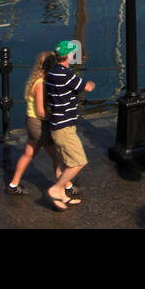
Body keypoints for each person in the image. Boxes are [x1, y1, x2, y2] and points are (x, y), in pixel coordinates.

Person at [44, 40, 94, 210]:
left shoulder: (51, 73)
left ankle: (62, 197)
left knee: (63, 164)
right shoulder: (67, 75)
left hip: (57, 124)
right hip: (65, 127)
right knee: (78, 161)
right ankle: (56, 189)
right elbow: (86, 87)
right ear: (69, 55)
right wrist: (92, 83)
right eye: (73, 53)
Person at [7, 51, 61, 195]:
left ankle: (13, 185)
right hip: (39, 124)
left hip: (31, 121)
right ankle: (65, 187)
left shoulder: (36, 80)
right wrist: (55, 118)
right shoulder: (41, 84)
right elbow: (41, 111)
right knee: (56, 156)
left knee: (28, 154)